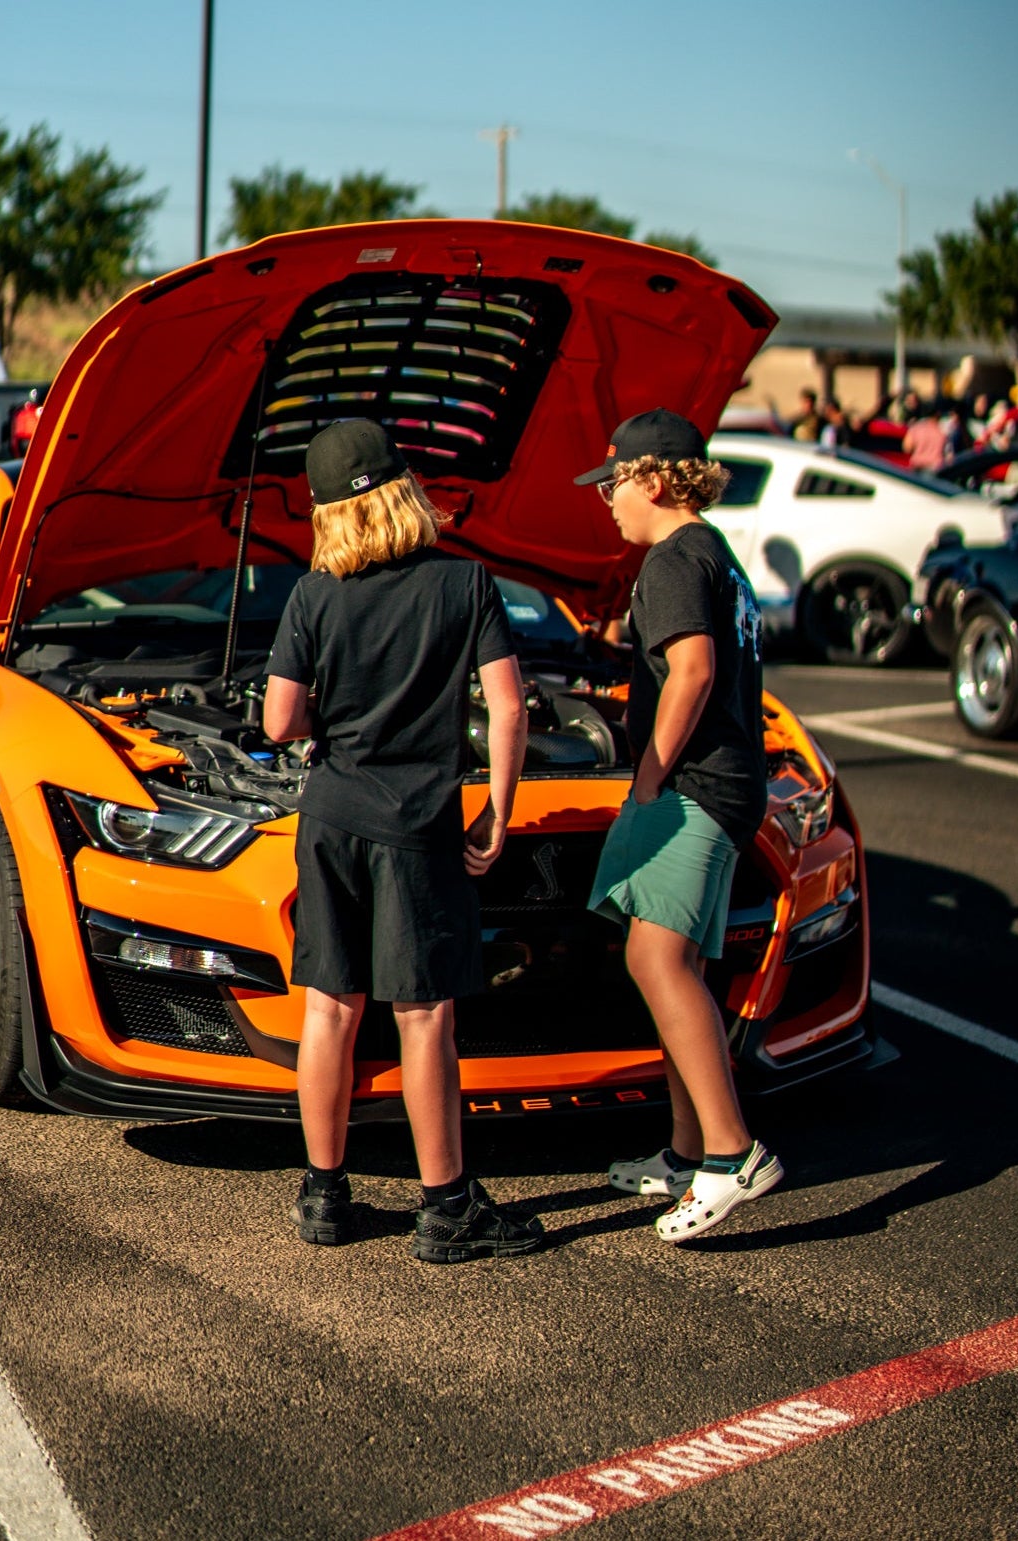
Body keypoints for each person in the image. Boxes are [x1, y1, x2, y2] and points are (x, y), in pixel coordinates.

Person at [264, 417, 543, 1264]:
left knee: (330, 1007)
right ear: (404, 487)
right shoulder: (465, 584)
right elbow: (510, 706)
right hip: (420, 828)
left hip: (333, 819)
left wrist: (325, 715)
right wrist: (495, 808)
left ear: (324, 513)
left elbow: (280, 720)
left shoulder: (312, 595)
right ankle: (446, 1208)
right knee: (424, 1018)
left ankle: (323, 1194)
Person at [572, 409, 782, 1242]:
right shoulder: (715, 555)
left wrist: (648, 781)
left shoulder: (669, 559)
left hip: (698, 785)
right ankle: (686, 1149)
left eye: (615, 479)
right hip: (732, 785)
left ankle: (734, 1154)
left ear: (654, 479)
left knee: (654, 956)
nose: (607, 499)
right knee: (675, 962)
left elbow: (692, 670)